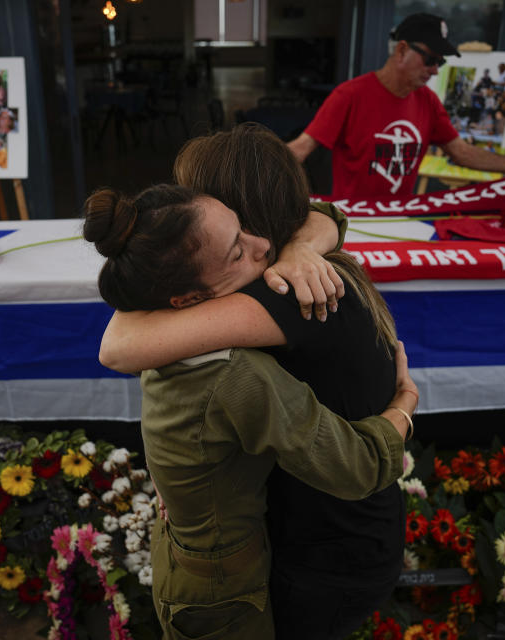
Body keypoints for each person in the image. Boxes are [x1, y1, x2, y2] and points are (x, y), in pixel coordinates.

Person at [99, 124, 414, 639]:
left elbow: (118, 341)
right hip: (344, 540)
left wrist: (404, 407)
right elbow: (328, 212)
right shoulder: (293, 266)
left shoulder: (282, 292)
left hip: (326, 556)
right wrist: (302, 243)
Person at [286, 12, 505, 198]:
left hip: (402, 216)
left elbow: (462, 153)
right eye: (430, 59)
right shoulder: (350, 95)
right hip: (355, 221)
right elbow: (299, 149)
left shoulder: (428, 102)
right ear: (401, 50)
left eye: (441, 63)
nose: (435, 70)